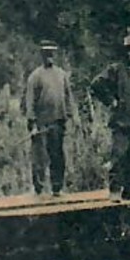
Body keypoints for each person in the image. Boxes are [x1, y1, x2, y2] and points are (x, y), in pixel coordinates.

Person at [90, 32, 130, 200]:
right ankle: (115, 191)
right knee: (119, 156)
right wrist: (111, 101)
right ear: (125, 53)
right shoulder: (116, 69)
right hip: (122, 121)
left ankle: (129, 190)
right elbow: (97, 84)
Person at [22, 40, 75, 196]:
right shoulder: (35, 76)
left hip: (58, 122)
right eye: (46, 53)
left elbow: (68, 97)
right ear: (42, 55)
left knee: (57, 155)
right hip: (41, 123)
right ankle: (38, 189)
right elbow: (30, 101)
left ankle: (57, 188)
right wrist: (32, 124)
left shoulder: (62, 74)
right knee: (39, 158)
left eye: (52, 53)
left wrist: (70, 117)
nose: (49, 56)